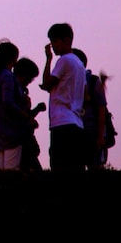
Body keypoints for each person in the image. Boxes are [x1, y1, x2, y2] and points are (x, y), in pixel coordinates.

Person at [39, 23, 87, 172]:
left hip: (62, 120)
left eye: (55, 41)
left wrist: (48, 59)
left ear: (66, 40)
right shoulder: (79, 64)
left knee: (59, 167)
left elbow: (47, 83)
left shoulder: (64, 60)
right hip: (77, 121)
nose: (53, 46)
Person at [0, 39, 31, 170]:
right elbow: (8, 102)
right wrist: (25, 115)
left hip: (0, 129)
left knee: (2, 169)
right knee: (11, 169)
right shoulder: (8, 77)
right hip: (12, 130)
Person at [75, 48, 110, 171]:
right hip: (77, 130)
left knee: (95, 166)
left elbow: (101, 110)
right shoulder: (71, 81)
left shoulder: (93, 81)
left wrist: (100, 136)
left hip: (92, 131)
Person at [13, 57, 46, 172]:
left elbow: (25, 114)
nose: (30, 81)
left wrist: (37, 109)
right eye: (30, 78)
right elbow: (19, 114)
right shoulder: (16, 91)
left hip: (24, 137)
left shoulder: (20, 91)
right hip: (21, 138)